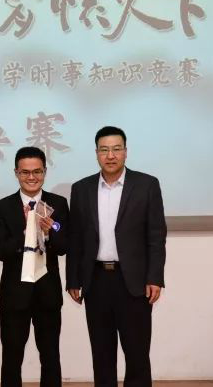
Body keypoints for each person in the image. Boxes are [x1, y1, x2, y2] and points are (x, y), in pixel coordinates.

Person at [66, 126, 167, 386]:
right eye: (104, 150)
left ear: (125, 151)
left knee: (137, 354)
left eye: (116, 149)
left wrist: (155, 277)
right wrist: (73, 279)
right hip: (96, 281)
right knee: (102, 354)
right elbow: (76, 238)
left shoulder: (147, 185)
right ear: (96, 153)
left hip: (133, 282)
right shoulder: (82, 188)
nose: (110, 155)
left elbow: (156, 236)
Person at [0, 147, 69, 387]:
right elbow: (0, 251)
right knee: (12, 357)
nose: (32, 177)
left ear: (45, 171)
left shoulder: (59, 203)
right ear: (16, 173)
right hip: (14, 295)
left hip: (48, 293)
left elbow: (64, 246)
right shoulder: (3, 206)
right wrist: (26, 230)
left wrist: (49, 233)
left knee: (51, 356)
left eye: (37, 171)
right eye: (25, 172)